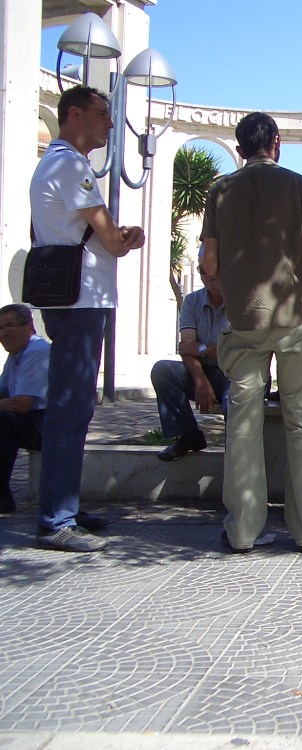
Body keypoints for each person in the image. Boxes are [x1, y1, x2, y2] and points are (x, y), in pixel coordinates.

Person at [200, 111, 302, 553]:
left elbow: (209, 265)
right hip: (294, 319)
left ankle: (241, 529)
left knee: (242, 426)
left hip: (244, 323)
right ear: (276, 143)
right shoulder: (298, 186)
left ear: (240, 149)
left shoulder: (219, 191)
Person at [29, 85, 145, 552]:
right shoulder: (70, 165)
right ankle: (56, 518)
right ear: (74, 114)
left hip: (70, 299)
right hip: (81, 301)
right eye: (101, 114)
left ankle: (65, 507)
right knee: (70, 408)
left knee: (74, 407)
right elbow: (111, 240)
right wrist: (129, 237)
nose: (110, 123)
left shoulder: (49, 164)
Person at [151, 258, 230, 462]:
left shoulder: (242, 301)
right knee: (162, 370)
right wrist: (201, 380)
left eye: (211, 269)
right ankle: (188, 434)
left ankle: (237, 448)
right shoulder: (191, 301)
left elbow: (237, 349)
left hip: (235, 372)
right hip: (203, 370)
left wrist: (202, 348)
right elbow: (186, 347)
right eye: (202, 270)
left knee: (237, 397)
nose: (207, 275)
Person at [0, 305, 47, 514]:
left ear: (29, 326)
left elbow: (22, 403)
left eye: (10, 326)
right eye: (0, 328)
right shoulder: (15, 355)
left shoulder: (36, 351)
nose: (4, 333)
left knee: (4, 420)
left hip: (49, 424)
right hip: (30, 420)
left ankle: (1, 497)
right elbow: (3, 392)